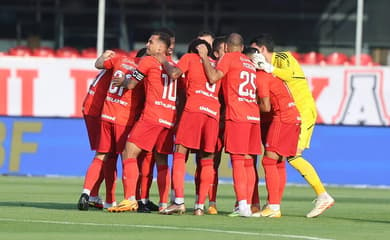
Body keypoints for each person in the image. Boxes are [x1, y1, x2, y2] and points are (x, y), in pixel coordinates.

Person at [250, 33, 335, 218]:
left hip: (302, 112)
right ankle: (274, 205)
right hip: (291, 114)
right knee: (281, 159)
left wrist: (269, 67)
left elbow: (289, 75)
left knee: (293, 156)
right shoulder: (267, 69)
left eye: (255, 51)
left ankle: (322, 195)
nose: (253, 56)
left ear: (262, 49)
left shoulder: (283, 57)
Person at [107, 31, 176, 213]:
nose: (148, 44)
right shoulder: (172, 65)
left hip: (152, 116)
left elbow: (131, 84)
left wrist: (122, 81)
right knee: (162, 161)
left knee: (128, 152)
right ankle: (163, 204)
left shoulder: (147, 61)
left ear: (160, 47)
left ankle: (130, 199)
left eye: (151, 42)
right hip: (169, 119)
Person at [198, 33, 262, 217]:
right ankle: (248, 204)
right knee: (249, 162)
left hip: (238, 115)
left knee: (237, 161)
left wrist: (203, 57)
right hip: (253, 116)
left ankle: (242, 205)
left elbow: (213, 78)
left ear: (226, 47)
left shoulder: (228, 58)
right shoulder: (249, 63)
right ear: (242, 48)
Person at [157, 39, 221, 216]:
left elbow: (175, 74)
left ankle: (178, 201)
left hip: (194, 109)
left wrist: (164, 61)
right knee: (207, 158)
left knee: (180, 152)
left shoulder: (190, 58)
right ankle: (200, 206)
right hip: (213, 113)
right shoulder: (216, 65)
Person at [245, 47, 301, 218]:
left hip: (283, 118)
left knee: (269, 161)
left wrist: (248, 106)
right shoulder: (271, 75)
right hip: (293, 116)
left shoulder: (261, 78)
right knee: (278, 162)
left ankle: (274, 206)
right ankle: (274, 204)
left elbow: (266, 107)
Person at [77, 50, 135, 210]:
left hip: (101, 111)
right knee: (119, 156)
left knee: (104, 154)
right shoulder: (143, 67)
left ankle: (90, 193)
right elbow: (132, 84)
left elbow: (98, 64)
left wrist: (102, 57)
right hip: (111, 113)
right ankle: (125, 198)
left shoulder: (120, 59)